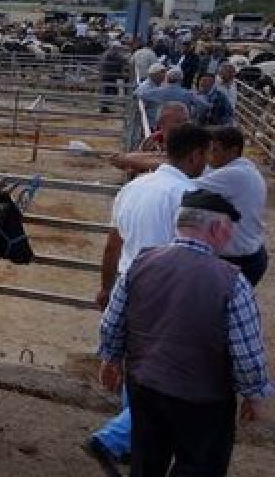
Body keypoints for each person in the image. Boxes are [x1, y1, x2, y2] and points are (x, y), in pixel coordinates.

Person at [97, 188, 271, 476]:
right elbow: (247, 352)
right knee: (199, 467)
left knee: (145, 463)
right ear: (216, 228)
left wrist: (111, 358)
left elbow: (112, 321)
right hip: (203, 399)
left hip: (145, 387)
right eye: (228, 231)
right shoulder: (232, 281)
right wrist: (253, 393)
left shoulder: (141, 263)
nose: (229, 239)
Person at [87, 124, 212, 473]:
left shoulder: (135, 187)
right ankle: (114, 438)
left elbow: (114, 242)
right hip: (166, 295)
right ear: (195, 155)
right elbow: (193, 253)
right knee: (163, 378)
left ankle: (133, 444)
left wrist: (107, 286)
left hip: (128, 286)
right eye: (205, 156)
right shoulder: (192, 194)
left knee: (136, 372)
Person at [199, 127, 268, 286]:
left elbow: (184, 186)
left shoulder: (235, 174)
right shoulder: (240, 170)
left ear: (233, 151)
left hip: (240, 261)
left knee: (219, 306)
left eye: (215, 150)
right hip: (248, 256)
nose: (210, 155)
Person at [100, 41, 126, 113]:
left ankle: (105, 107)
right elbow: (122, 60)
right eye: (118, 48)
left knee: (109, 91)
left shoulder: (108, 53)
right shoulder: (111, 53)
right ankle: (104, 108)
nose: (119, 49)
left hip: (109, 75)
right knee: (108, 91)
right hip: (109, 75)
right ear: (114, 47)